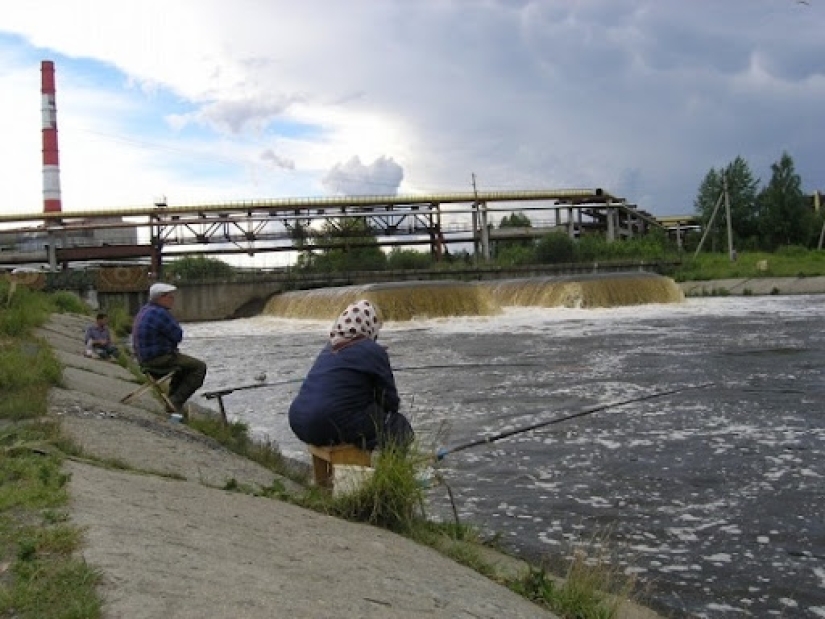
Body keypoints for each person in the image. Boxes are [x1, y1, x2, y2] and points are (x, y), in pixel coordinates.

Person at [288, 299, 414, 451]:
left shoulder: (329, 348)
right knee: (397, 425)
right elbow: (390, 401)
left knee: (361, 416)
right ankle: (387, 472)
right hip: (328, 423)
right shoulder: (372, 350)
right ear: (370, 324)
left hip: (299, 422)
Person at [131, 282, 207, 414]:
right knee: (199, 367)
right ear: (161, 297)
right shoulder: (160, 313)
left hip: (143, 359)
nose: (173, 300)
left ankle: (172, 402)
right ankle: (175, 401)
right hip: (157, 360)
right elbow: (177, 335)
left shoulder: (145, 310)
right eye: (170, 297)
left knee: (183, 366)